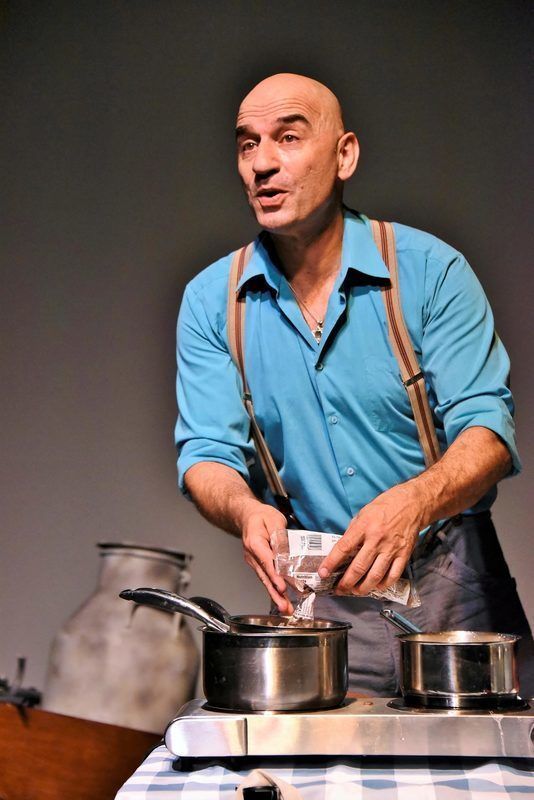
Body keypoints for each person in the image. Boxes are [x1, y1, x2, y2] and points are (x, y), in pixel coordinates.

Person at [175, 73, 534, 695]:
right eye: (248, 144)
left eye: (288, 137)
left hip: (453, 579)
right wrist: (246, 510)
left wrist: (415, 503)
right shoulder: (213, 302)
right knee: (332, 755)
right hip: (326, 597)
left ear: (345, 156)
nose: (262, 163)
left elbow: (488, 432)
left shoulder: (430, 271)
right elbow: (206, 454)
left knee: (492, 755)